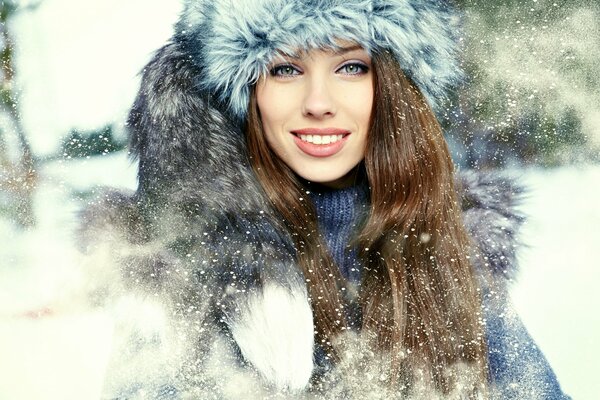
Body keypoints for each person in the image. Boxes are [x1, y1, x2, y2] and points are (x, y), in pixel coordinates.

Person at [81, 0, 570, 398]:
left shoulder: (447, 248)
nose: (318, 102)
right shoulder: (190, 267)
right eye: (286, 69)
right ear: (245, 93)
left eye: (351, 66)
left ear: (395, 89)